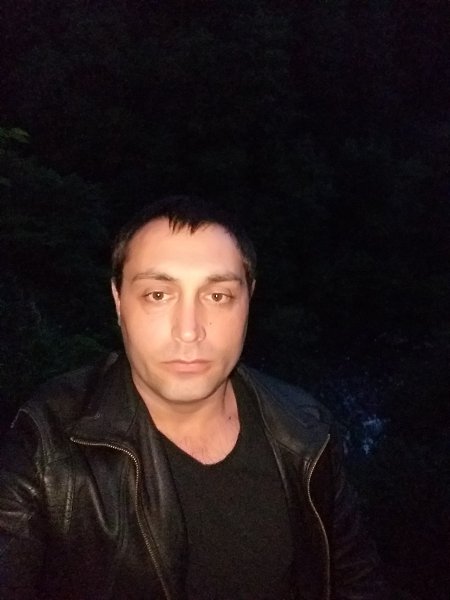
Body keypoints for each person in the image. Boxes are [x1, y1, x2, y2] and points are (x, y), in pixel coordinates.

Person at [0, 196, 387, 599]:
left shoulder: (307, 432)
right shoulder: (47, 442)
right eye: (158, 295)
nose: (189, 331)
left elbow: (357, 583)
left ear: (248, 300)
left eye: (217, 296)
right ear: (118, 302)